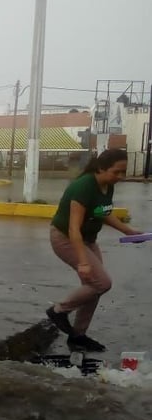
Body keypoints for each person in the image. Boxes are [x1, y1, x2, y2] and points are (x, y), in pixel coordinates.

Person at [46, 149, 143, 352]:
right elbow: (73, 228)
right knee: (102, 283)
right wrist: (82, 262)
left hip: (88, 239)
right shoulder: (84, 186)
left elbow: (103, 213)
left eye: (123, 172)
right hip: (66, 238)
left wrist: (129, 231)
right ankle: (58, 310)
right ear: (100, 168)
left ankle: (78, 336)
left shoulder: (107, 186)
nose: (120, 177)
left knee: (94, 288)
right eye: (116, 172)